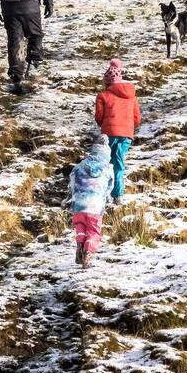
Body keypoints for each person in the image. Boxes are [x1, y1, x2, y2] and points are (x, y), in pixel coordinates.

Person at [94, 58, 142, 201]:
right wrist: (128, 126)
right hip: (126, 134)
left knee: (106, 163)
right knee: (119, 162)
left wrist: (105, 125)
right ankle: (118, 194)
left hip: (109, 134)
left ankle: (106, 193)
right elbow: (137, 118)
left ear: (106, 81)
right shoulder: (131, 96)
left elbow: (99, 117)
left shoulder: (103, 95)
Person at [69, 136, 114, 267]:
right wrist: (107, 198)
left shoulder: (80, 165)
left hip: (79, 204)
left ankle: (79, 246)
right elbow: (109, 186)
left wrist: (75, 195)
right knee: (93, 231)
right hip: (95, 205)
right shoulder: (107, 168)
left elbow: (72, 181)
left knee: (80, 227)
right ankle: (87, 255)